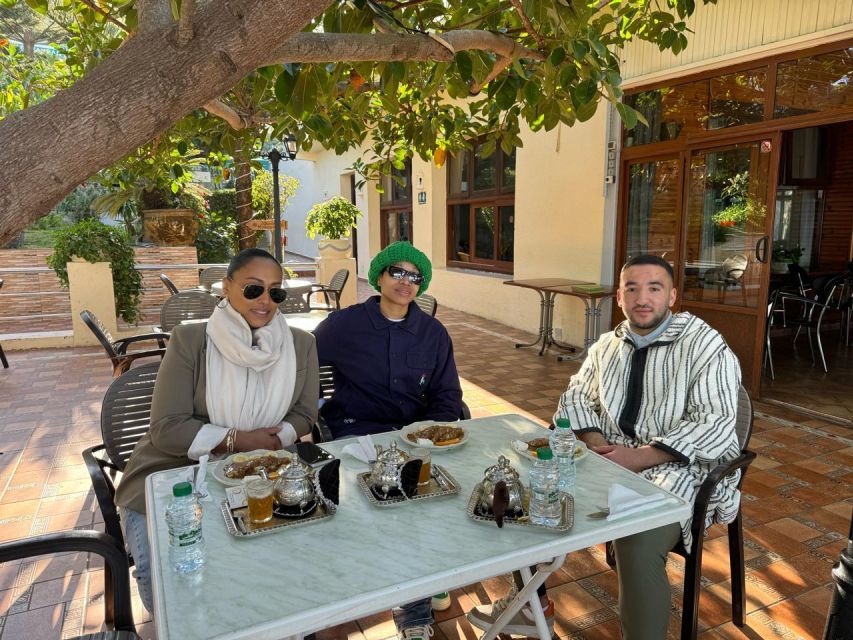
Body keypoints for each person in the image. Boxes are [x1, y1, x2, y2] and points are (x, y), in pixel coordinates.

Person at [468, 254, 741, 640]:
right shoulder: (606, 346)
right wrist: (597, 444)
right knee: (527, 491)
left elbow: (714, 420)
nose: (642, 298)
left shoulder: (704, 345)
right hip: (609, 455)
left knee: (637, 537)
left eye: (654, 288)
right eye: (632, 288)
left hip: (680, 467)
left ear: (672, 296)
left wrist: (643, 456)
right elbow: (575, 397)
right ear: (619, 296)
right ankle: (532, 605)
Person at [115, 248, 319, 612]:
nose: (265, 301)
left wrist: (275, 440)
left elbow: (304, 413)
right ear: (226, 287)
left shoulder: (301, 345)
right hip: (174, 472)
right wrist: (238, 439)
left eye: (275, 292)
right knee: (165, 580)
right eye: (253, 289)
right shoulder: (192, 340)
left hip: (264, 470)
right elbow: (166, 428)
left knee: (291, 570)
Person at [313, 241, 463, 640]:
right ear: (378, 276)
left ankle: (425, 580)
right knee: (396, 502)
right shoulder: (344, 325)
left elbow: (449, 395)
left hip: (415, 435)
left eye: (414, 276)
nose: (405, 281)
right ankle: (414, 610)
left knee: (429, 497)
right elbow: (300, 362)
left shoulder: (432, 333)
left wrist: (432, 432)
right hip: (356, 431)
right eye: (396, 272)